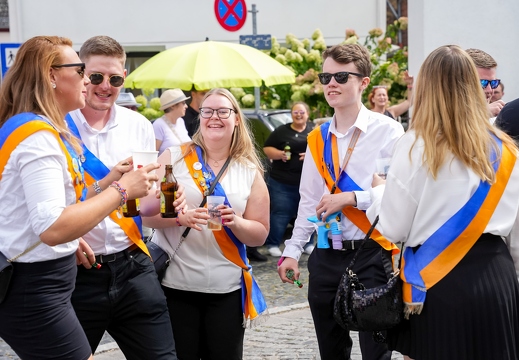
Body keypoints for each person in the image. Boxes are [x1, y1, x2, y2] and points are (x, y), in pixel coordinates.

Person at [0, 36, 158, 360]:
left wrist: (110, 180)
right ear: (52, 75)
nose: (88, 79)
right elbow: (54, 226)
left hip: (43, 284)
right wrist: (123, 189)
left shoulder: (38, 128)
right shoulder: (37, 139)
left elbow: (64, 203)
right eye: (82, 70)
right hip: (35, 288)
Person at [367, 45, 519, 360]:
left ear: (427, 89)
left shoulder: (415, 144)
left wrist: (378, 193)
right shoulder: (507, 149)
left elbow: (393, 227)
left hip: (436, 281)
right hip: (497, 278)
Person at [277, 43, 404, 360]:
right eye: (326, 76)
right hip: (325, 253)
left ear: (364, 83)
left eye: (341, 76)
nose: (331, 83)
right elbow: (308, 202)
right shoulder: (317, 138)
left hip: (371, 252)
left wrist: (351, 198)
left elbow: (398, 193)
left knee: (377, 351)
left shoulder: (388, 130)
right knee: (331, 350)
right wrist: (291, 252)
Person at [67, 35, 179, 360]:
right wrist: (66, 239)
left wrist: (168, 196)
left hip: (132, 264)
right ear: (80, 74)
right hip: (75, 273)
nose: (105, 86)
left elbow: (144, 202)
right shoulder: (57, 126)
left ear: (124, 78)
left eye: (114, 79)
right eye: (96, 77)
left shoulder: (139, 125)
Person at [140, 88, 270, 360]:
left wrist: (235, 222)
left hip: (227, 290)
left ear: (236, 119)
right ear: (199, 117)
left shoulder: (249, 170)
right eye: (208, 111)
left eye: (224, 111)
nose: (215, 117)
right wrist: (180, 218)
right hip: (176, 286)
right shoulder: (173, 159)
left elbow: (259, 234)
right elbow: (147, 215)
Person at [263, 101, 315, 257]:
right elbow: (267, 148)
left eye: (302, 112)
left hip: (307, 181)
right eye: (295, 112)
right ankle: (273, 244)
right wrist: (279, 154)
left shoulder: (314, 131)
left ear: (307, 114)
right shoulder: (281, 131)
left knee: (308, 212)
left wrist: (310, 156)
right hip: (282, 181)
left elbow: (323, 150)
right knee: (280, 213)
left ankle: (308, 244)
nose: (298, 115)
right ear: (291, 114)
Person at [466, 48, 505, 117]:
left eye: (493, 83)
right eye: (482, 83)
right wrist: (482, 114)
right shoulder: (444, 113)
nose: (490, 90)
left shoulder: (496, 117)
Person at [154, 88, 192, 155]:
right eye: (183, 103)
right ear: (173, 106)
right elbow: (153, 153)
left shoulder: (181, 121)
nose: (186, 106)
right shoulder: (158, 124)